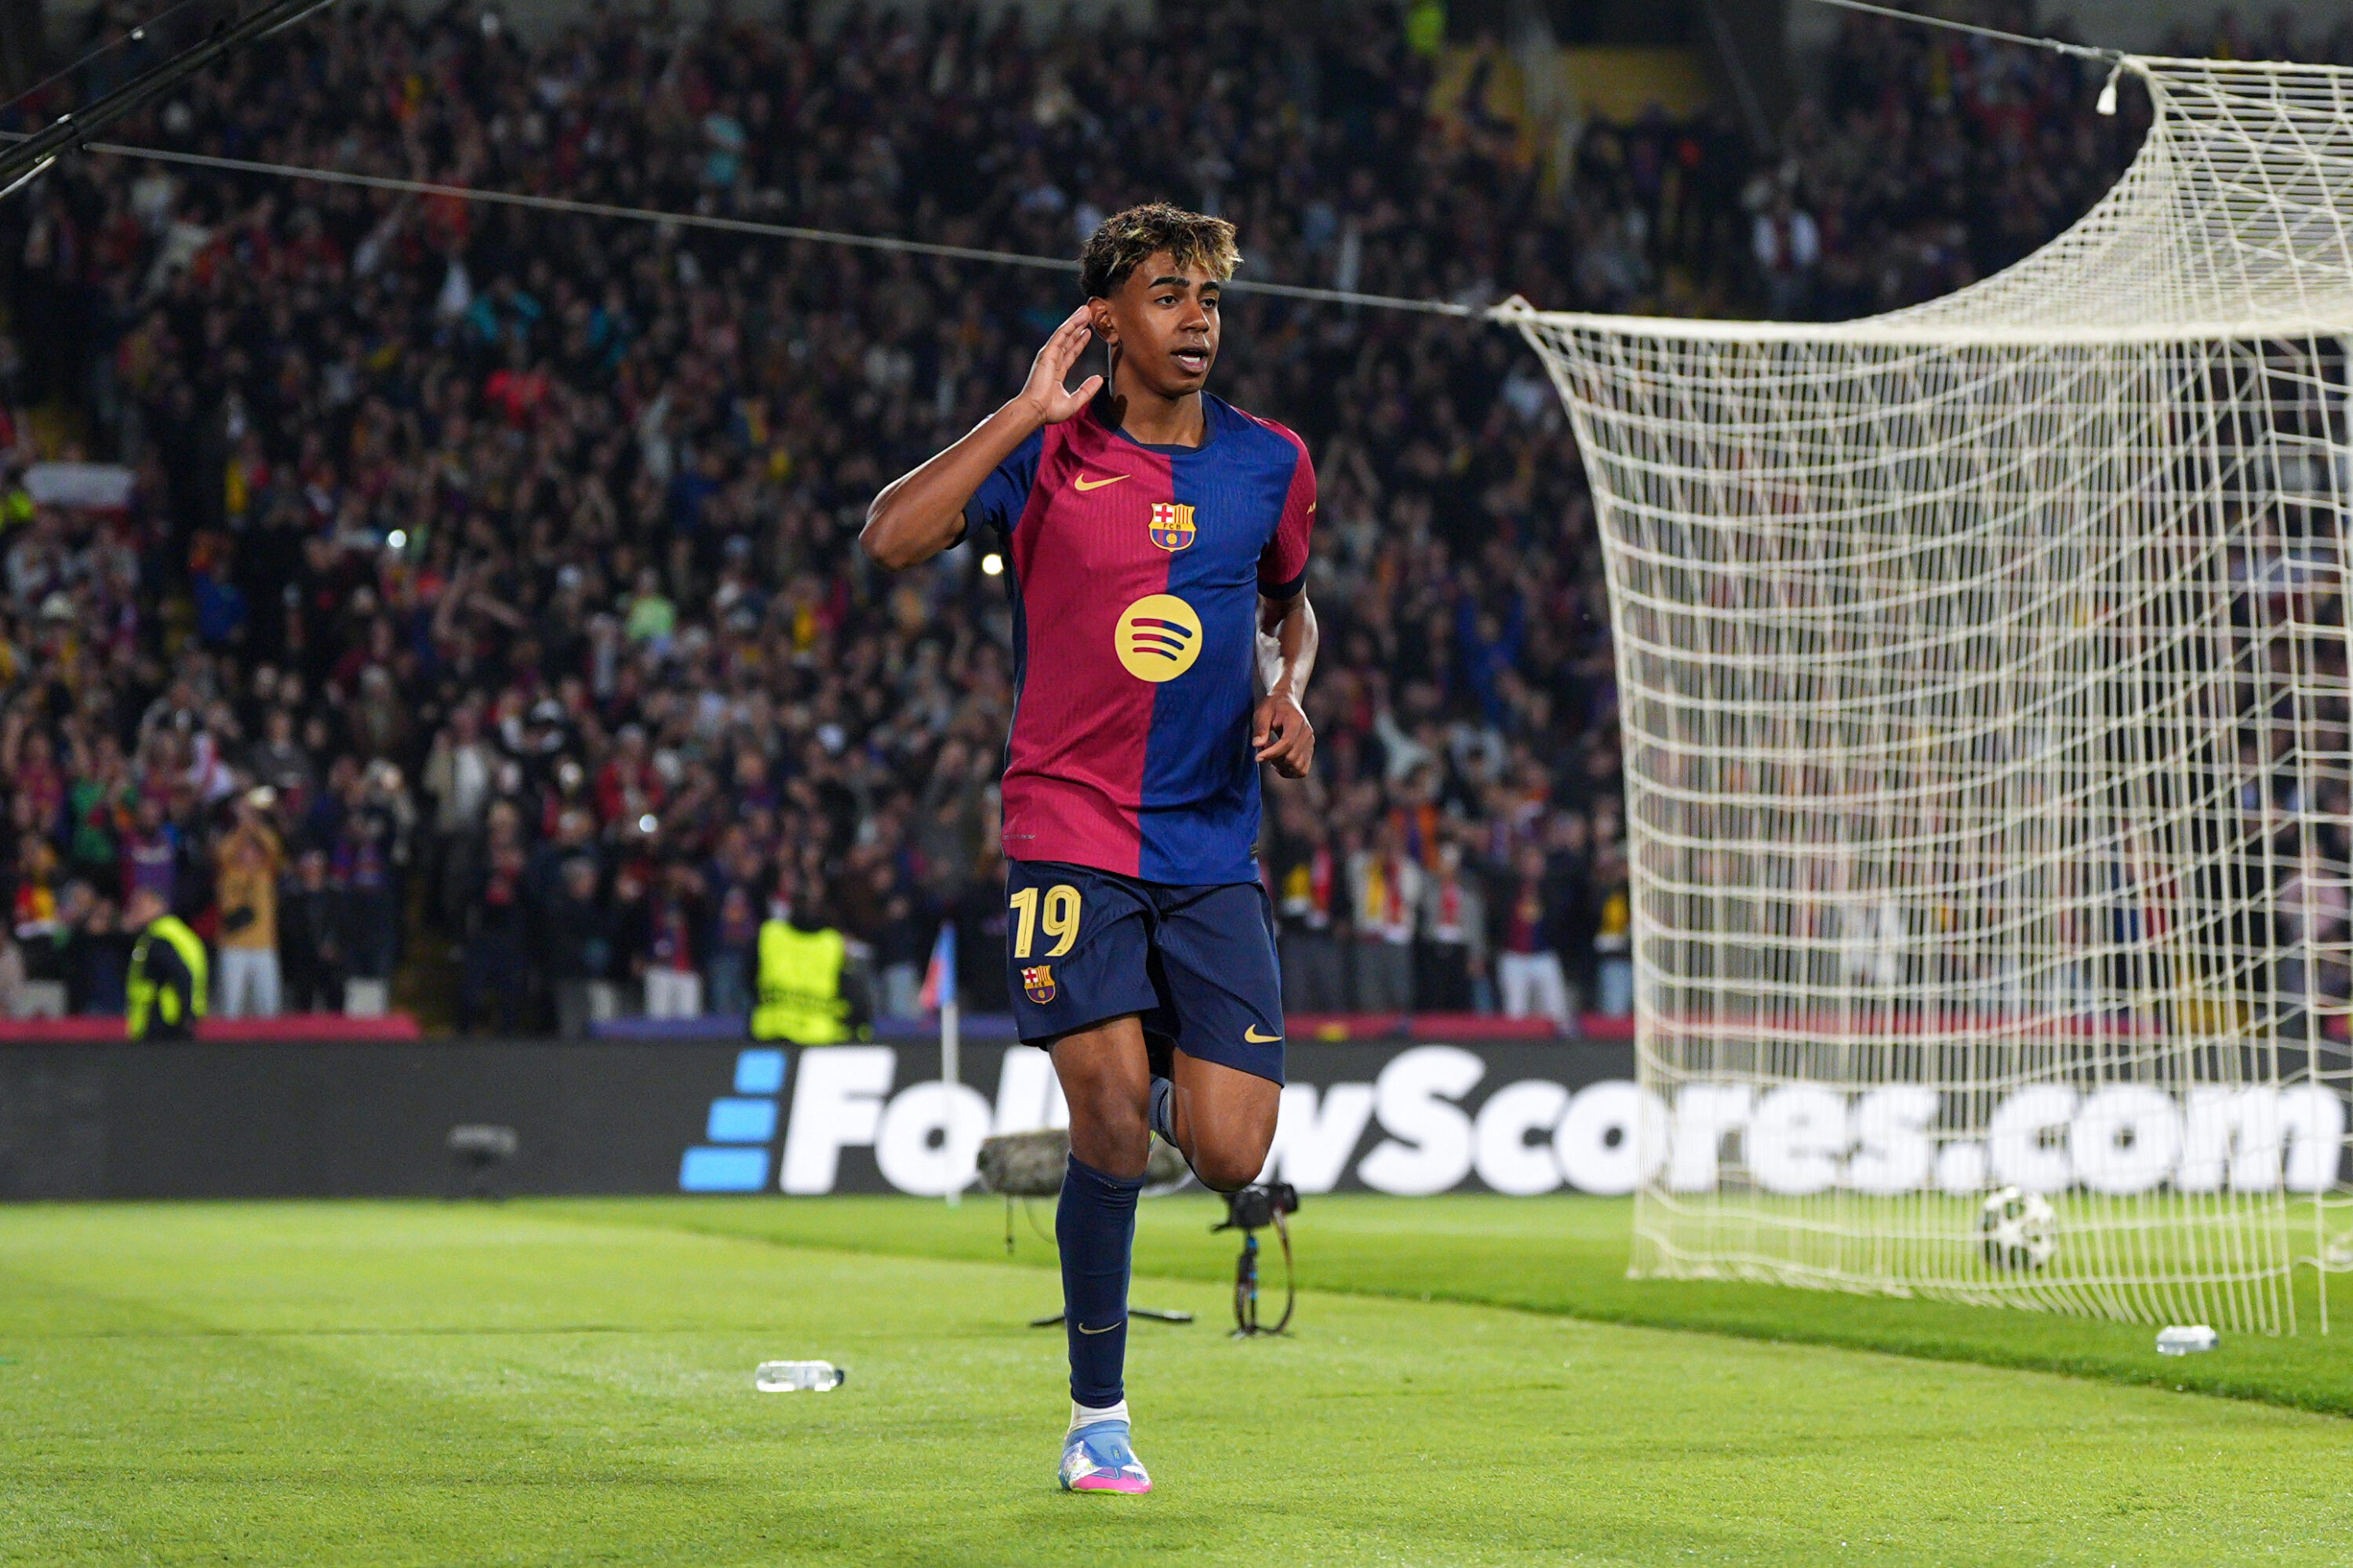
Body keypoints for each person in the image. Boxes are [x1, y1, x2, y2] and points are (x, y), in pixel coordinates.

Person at [862, 203, 1318, 1497]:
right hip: (1069, 829)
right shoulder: (1047, 457)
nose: (1197, 320)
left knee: (1230, 1150)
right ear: (1106, 317)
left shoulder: (1271, 462)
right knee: (1109, 1123)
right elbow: (890, 537)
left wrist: (1292, 692)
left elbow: (1292, 611)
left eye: (1209, 298)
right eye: (1169, 295)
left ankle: (1166, 1060)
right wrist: (1023, 412)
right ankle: (1098, 1416)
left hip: (1212, 841)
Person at [750, 881, 870, 1045]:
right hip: (816, 1035)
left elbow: (749, 976)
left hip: (772, 1031)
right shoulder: (832, 943)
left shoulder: (770, 934)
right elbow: (855, 997)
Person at [214, 787, 285, 1018]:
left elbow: (273, 846)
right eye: (245, 849)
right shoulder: (229, 872)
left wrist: (252, 821)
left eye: (254, 849)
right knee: (230, 1010)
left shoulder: (266, 873)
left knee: (269, 1009)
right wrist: (242, 827)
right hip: (233, 946)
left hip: (264, 946)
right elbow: (223, 852)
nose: (249, 853)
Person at [125, 886, 206, 1041]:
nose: (134, 910)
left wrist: (185, 1015)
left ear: (158, 906)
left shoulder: (159, 938)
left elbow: (182, 974)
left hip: (162, 1018)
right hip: (174, 1016)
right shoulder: (175, 931)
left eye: (140, 906)